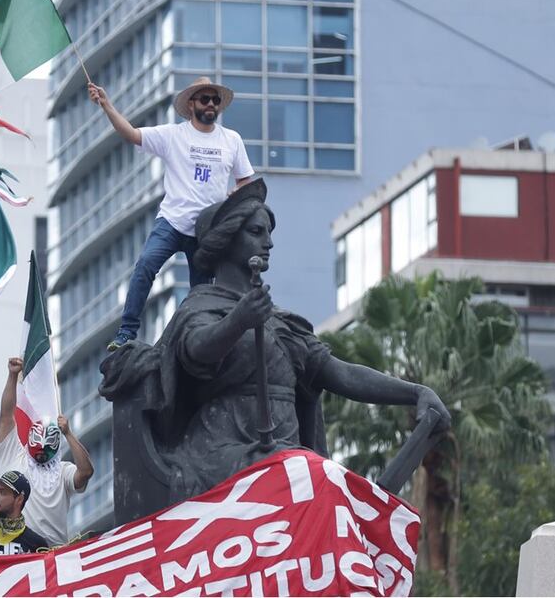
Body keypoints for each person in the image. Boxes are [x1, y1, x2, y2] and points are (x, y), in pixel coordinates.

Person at [100, 180, 452, 504]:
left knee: (326, 486)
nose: (268, 242)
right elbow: (196, 350)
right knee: (314, 481)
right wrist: (239, 321)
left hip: (286, 453)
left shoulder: (282, 323)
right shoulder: (200, 306)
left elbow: (339, 373)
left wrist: (414, 392)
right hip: (225, 452)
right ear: (226, 238)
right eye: (256, 232)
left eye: (268, 233)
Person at [89, 76, 255, 351]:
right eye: (205, 99)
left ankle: (193, 340)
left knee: (201, 292)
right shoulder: (173, 135)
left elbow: (246, 180)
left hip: (206, 229)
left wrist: (234, 196)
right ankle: (127, 332)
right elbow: (131, 134)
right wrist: (107, 105)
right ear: (191, 104)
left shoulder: (231, 140)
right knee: (145, 266)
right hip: (172, 221)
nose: (211, 104)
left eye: (215, 100)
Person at [0, 357, 93, 546]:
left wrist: (68, 434)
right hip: (15, 547)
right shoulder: (13, 455)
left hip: (53, 552)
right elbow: (6, 416)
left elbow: (86, 472)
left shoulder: (63, 471)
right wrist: (13, 376)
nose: (40, 453)